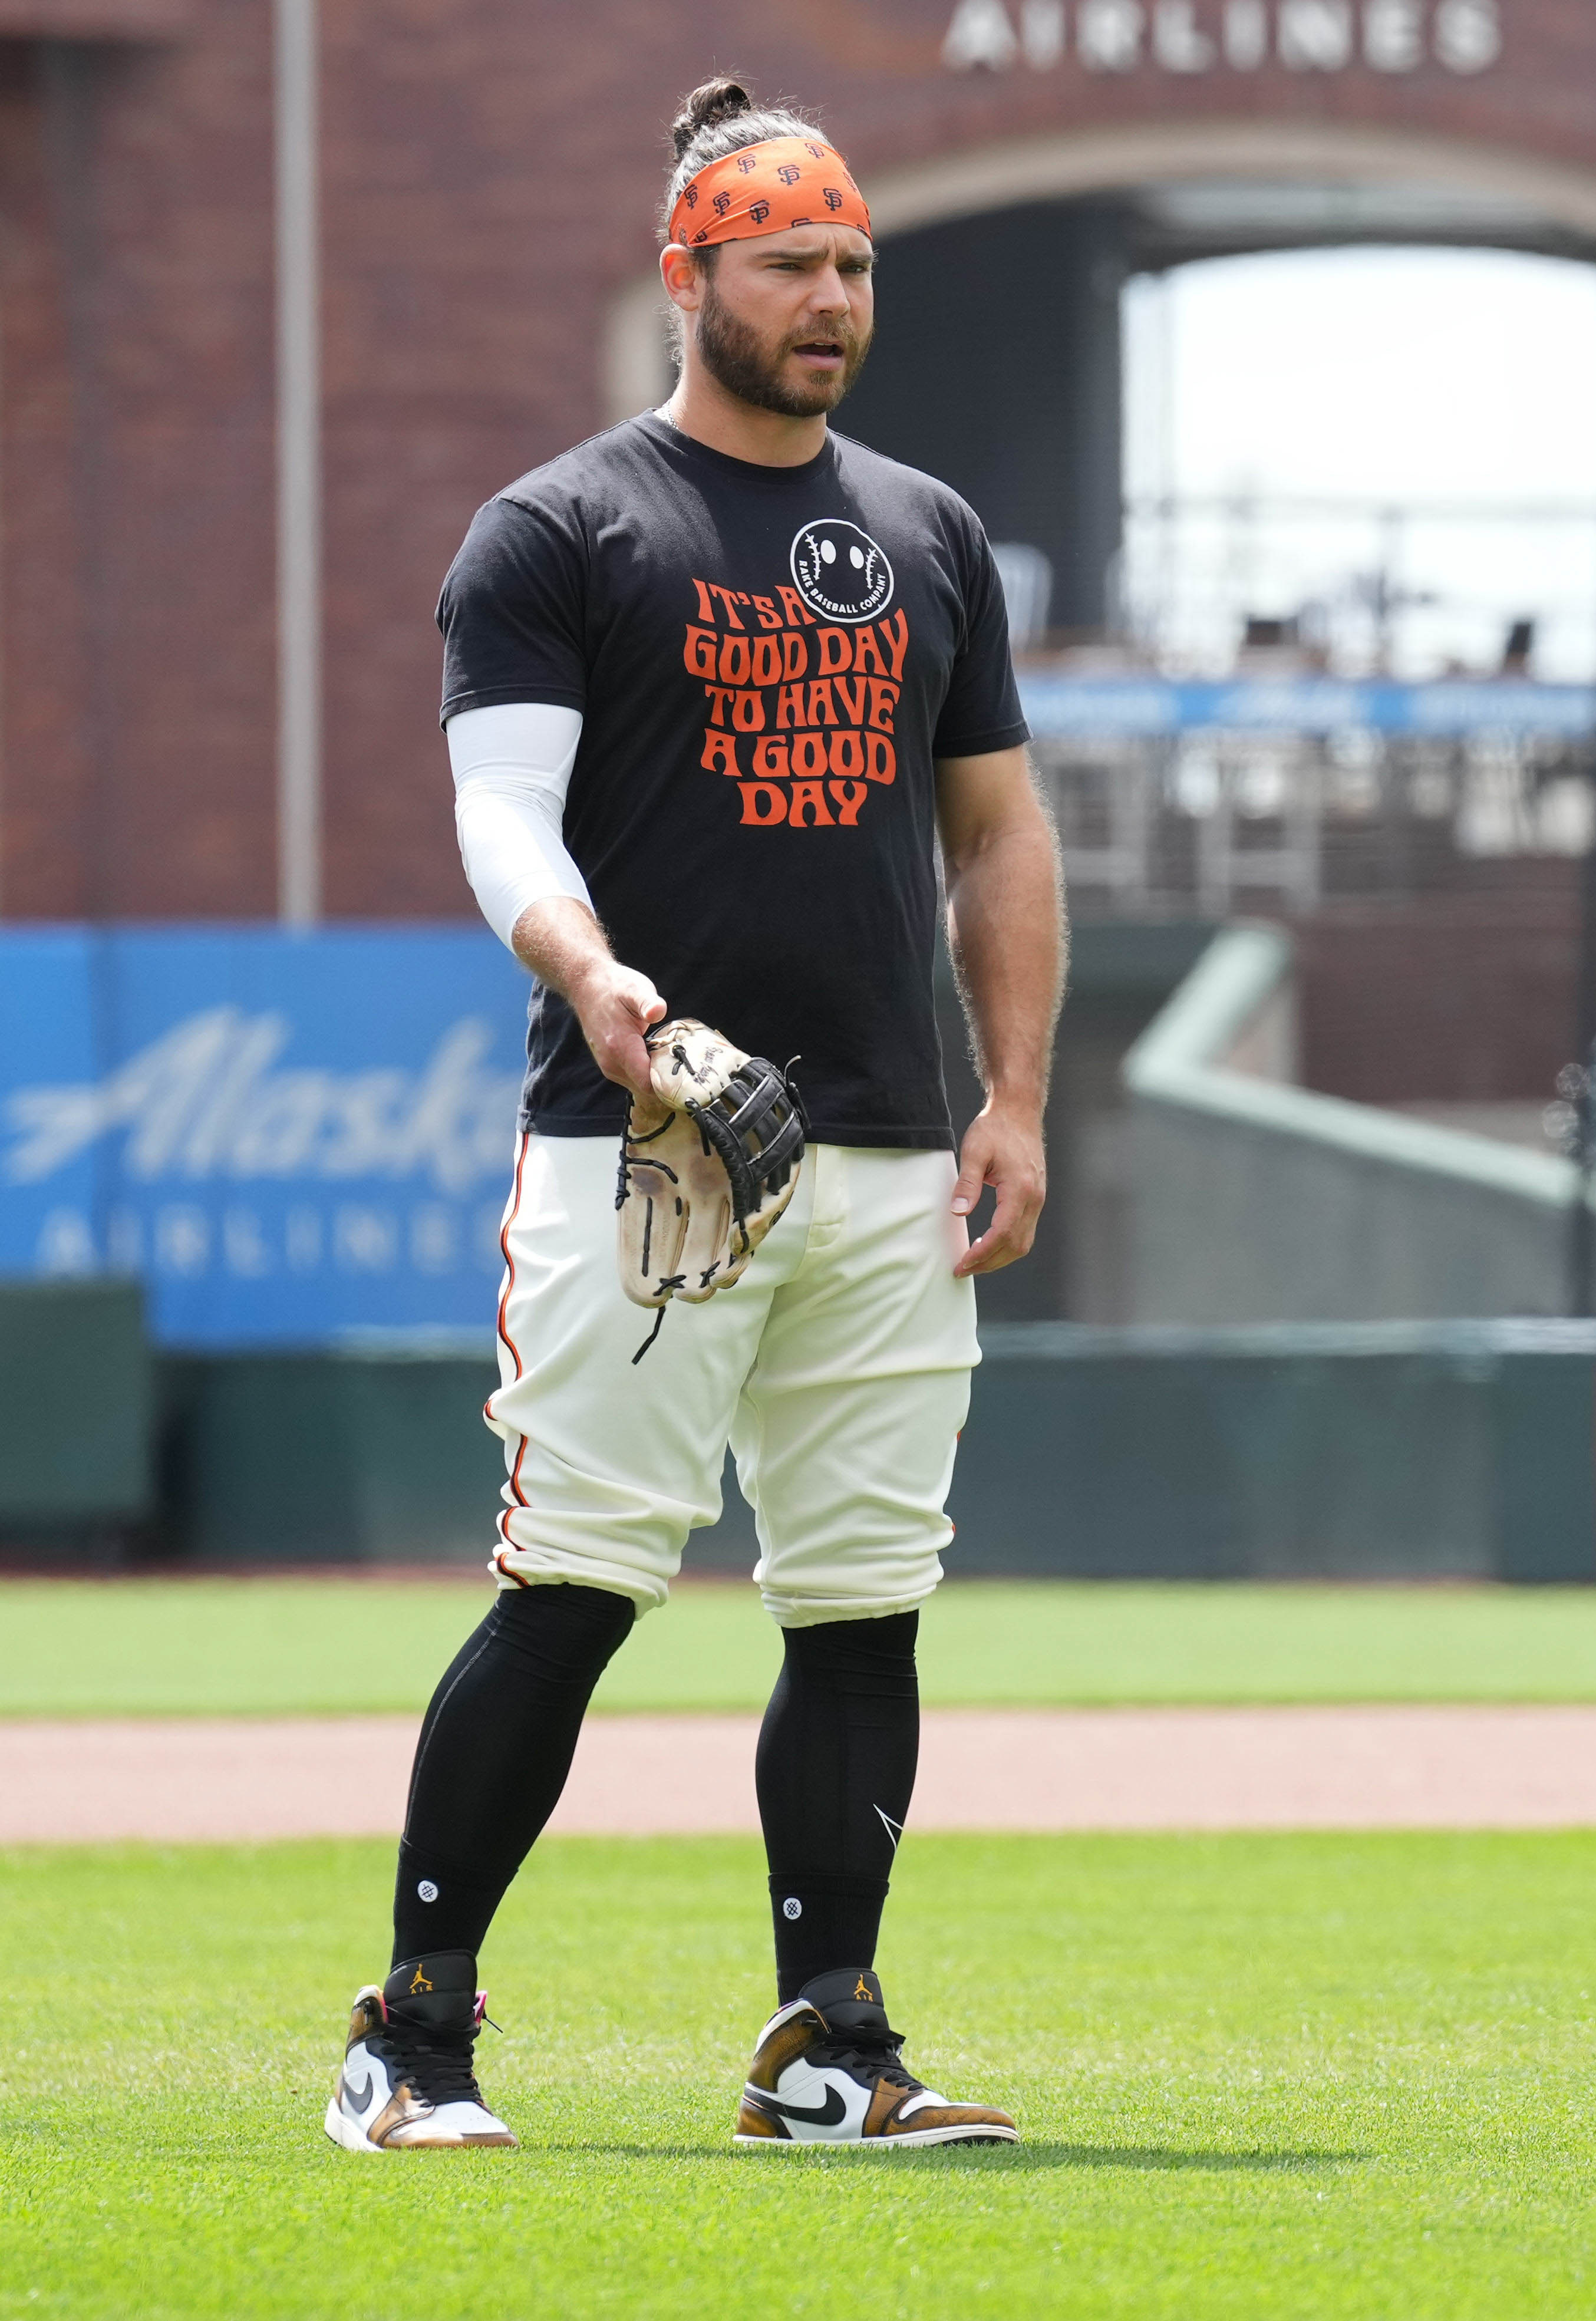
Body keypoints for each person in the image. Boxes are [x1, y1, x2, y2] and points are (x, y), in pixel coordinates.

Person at [323, 77, 1066, 2153]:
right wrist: (586, 965)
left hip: (894, 1147)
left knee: (859, 1604)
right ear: (690, 274)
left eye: (852, 266)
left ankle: (828, 2036)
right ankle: (414, 2028)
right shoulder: (561, 526)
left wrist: (1013, 1089)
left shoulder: (923, 533)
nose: (831, 300)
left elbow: (998, 833)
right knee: (571, 1580)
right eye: (790, 265)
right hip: (645, 1146)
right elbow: (498, 806)